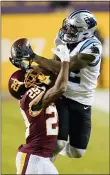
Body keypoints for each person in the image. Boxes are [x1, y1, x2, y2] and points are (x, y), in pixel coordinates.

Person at [10, 9, 102, 160]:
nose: (67, 30)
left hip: (82, 99)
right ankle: (43, 164)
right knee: (58, 143)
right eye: (67, 26)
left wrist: (33, 56)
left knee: (77, 152)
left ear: (85, 32)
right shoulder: (63, 38)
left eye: (72, 28)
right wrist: (27, 67)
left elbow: (64, 67)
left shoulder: (92, 48)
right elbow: (53, 66)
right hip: (61, 93)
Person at [8, 41, 70, 174]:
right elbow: (60, 87)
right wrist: (65, 62)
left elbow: (55, 75)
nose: (33, 76)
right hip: (33, 157)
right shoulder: (29, 98)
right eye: (28, 78)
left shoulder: (37, 92)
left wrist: (54, 61)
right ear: (22, 86)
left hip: (41, 158)